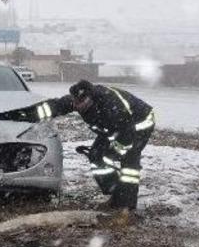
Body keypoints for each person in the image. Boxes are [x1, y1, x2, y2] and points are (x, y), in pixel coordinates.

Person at [48, 80, 155, 210]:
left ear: (90, 98)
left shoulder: (111, 105)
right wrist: (23, 115)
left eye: (81, 103)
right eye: (75, 102)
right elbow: (52, 107)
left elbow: (126, 135)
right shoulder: (76, 100)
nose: (77, 106)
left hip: (138, 125)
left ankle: (126, 207)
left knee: (129, 165)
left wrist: (116, 153)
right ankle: (115, 193)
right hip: (112, 127)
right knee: (96, 155)